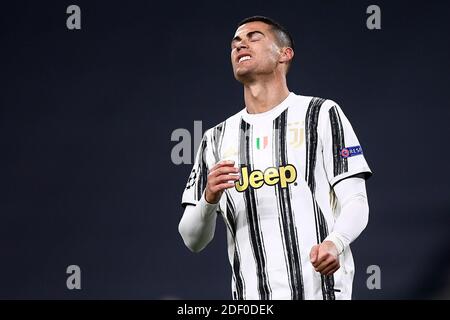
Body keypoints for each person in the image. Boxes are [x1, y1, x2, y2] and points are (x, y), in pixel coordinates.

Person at [178, 16, 372, 300]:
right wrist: (208, 198)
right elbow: (192, 240)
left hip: (322, 293)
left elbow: (356, 201)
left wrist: (335, 242)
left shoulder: (321, 114)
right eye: (235, 42)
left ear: (285, 54)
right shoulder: (215, 139)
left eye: (254, 37)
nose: (240, 44)